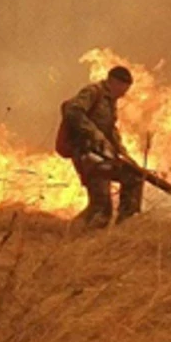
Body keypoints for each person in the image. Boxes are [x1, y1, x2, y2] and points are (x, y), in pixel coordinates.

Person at [61, 65, 144, 228]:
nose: (124, 94)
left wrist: (123, 153)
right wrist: (94, 134)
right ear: (114, 81)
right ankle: (75, 234)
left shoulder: (111, 102)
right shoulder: (93, 92)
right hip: (87, 154)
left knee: (134, 177)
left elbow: (110, 129)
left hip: (103, 155)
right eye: (123, 88)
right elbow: (73, 111)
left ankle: (124, 227)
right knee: (101, 208)